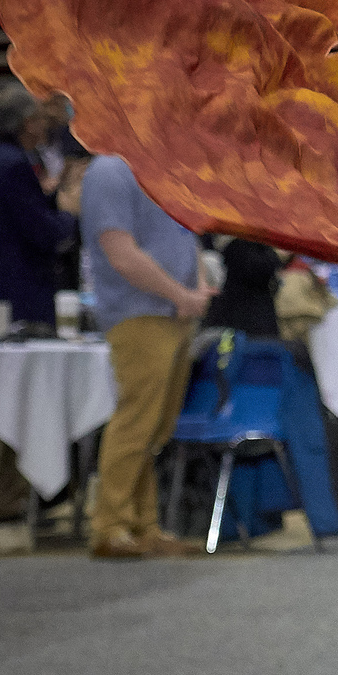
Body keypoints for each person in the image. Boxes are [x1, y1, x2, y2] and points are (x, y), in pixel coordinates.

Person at [80, 153, 210, 560]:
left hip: (177, 312)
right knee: (136, 421)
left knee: (156, 426)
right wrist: (181, 294)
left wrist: (200, 286)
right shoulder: (109, 171)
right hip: (139, 312)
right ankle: (109, 525)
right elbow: (120, 253)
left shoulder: (167, 167)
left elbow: (188, 237)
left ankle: (144, 526)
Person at [0, 82, 80, 330]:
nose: (44, 125)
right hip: (17, 291)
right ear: (28, 122)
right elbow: (40, 231)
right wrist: (69, 212)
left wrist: (50, 199)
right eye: (40, 119)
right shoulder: (13, 164)